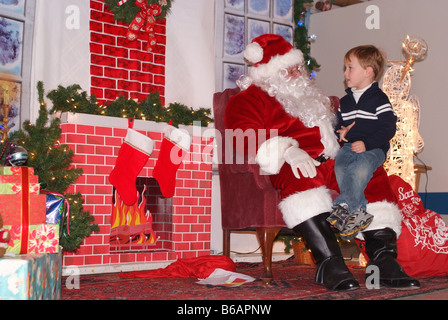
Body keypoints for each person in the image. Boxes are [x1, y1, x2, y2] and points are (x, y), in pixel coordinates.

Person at [225, 34, 420, 291]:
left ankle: (383, 259)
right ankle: (330, 262)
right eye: (289, 68)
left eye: (298, 66)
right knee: (302, 175)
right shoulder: (248, 99)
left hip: (331, 160)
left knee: (370, 172)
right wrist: (286, 150)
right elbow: (242, 137)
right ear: (269, 72)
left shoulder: (313, 97)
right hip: (292, 161)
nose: (297, 72)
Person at [326, 45, 397, 241]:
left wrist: (367, 144)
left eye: (350, 68)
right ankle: (357, 217)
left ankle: (346, 208)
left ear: (368, 71)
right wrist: (340, 131)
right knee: (340, 166)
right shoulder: (345, 102)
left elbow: (388, 128)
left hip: (374, 148)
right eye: (345, 68)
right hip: (350, 146)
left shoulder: (379, 99)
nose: (345, 73)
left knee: (359, 170)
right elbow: (339, 125)